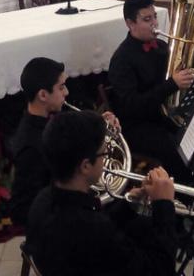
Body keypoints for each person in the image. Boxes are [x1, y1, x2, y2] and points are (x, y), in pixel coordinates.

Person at [25, 110, 176, 276]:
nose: (106, 159)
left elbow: (97, 221)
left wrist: (129, 203)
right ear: (85, 166)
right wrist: (164, 204)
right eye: (104, 153)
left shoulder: (43, 199)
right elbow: (161, 269)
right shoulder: (95, 231)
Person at [108, 0, 194, 187]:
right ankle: (185, 198)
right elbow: (131, 106)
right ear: (130, 24)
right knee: (180, 149)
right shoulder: (122, 60)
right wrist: (172, 84)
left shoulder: (163, 47)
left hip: (166, 117)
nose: (154, 23)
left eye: (154, 16)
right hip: (139, 126)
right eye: (147, 19)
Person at [10, 57, 120, 226]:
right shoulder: (30, 146)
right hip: (66, 223)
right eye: (61, 87)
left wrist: (99, 122)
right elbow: (22, 210)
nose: (67, 92)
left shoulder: (52, 118)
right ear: (43, 95)